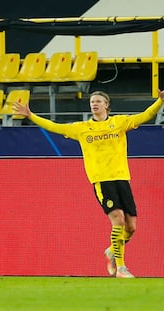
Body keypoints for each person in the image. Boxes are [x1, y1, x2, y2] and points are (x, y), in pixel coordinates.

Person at [14, 89, 164, 278]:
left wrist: (160, 101)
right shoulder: (82, 128)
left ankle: (111, 250)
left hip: (121, 177)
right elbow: (55, 126)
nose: (94, 104)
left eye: (98, 101)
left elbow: (146, 115)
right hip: (101, 180)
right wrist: (31, 115)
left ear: (106, 105)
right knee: (117, 218)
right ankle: (121, 268)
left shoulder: (118, 123)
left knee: (131, 226)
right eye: (92, 101)